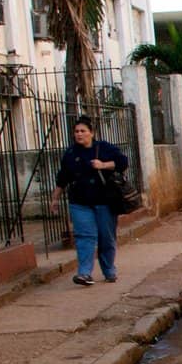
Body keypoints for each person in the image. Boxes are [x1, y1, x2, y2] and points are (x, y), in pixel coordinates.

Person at [55, 116, 129, 286]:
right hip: (80, 202)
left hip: (104, 201)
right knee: (84, 236)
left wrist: (103, 165)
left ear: (91, 133)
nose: (79, 134)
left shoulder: (103, 148)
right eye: (76, 131)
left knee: (106, 238)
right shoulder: (71, 153)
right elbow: (63, 177)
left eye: (83, 131)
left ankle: (109, 269)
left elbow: (123, 162)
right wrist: (55, 199)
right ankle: (84, 273)